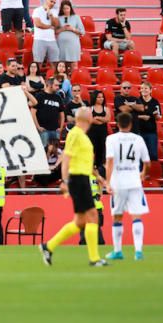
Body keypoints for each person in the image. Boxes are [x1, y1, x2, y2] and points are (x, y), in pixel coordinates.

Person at [40, 106, 107, 267]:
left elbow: (83, 160)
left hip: (83, 178)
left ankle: (48, 246)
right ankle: (94, 258)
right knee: (92, 216)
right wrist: (65, 181)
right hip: (77, 179)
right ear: (87, 118)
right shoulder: (75, 134)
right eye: (91, 115)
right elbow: (67, 158)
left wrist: (98, 177)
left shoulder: (81, 135)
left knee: (79, 222)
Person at [104, 112, 151, 260]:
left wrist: (107, 181)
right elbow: (147, 162)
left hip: (118, 182)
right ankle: (138, 252)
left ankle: (118, 251)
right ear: (130, 124)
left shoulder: (111, 138)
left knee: (117, 216)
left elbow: (110, 161)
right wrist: (143, 173)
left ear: (117, 124)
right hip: (134, 181)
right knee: (136, 215)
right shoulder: (138, 139)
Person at [33, 77, 66, 147]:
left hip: (55, 130)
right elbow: (33, 112)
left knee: (55, 153)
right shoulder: (39, 96)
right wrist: (38, 127)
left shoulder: (58, 97)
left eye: (58, 85)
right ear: (50, 85)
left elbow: (62, 114)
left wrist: (61, 127)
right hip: (43, 131)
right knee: (44, 153)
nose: (58, 87)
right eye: (56, 85)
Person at [136, 82, 162, 163]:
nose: (144, 90)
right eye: (142, 88)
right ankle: (141, 174)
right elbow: (132, 116)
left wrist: (156, 115)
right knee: (139, 155)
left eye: (146, 88)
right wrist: (142, 117)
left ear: (150, 90)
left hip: (151, 132)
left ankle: (153, 174)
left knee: (153, 154)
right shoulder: (137, 101)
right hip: (139, 132)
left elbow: (158, 117)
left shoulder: (155, 102)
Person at [31, 0, 60, 64]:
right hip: (39, 39)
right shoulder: (37, 10)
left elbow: (56, 25)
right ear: (46, 0)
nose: (53, 4)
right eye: (51, 1)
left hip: (52, 40)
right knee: (38, 63)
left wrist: (50, 13)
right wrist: (50, 26)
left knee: (55, 62)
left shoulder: (54, 12)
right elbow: (38, 24)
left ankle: (54, 75)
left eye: (54, 2)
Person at [87, 89, 110, 171]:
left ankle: (100, 170)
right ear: (94, 98)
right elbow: (90, 120)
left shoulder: (106, 108)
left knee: (101, 151)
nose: (101, 99)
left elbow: (107, 119)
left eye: (102, 97)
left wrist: (98, 118)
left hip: (103, 134)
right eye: (99, 97)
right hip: (92, 134)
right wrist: (101, 120)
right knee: (92, 151)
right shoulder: (90, 108)